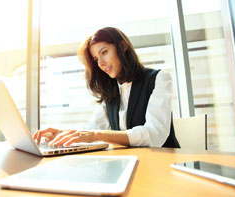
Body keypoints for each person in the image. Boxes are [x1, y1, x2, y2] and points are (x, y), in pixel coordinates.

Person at [33, 27, 180, 148]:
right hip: (131, 162)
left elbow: (154, 135)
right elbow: (92, 128)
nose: (101, 64)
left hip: (163, 163)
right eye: (96, 59)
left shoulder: (159, 78)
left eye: (104, 52)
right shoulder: (111, 91)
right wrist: (64, 133)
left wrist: (96, 136)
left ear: (122, 47)